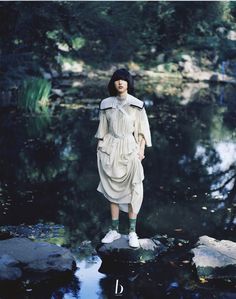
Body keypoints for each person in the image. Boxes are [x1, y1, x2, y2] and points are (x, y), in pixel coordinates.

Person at [95, 68, 152, 248]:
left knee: (133, 189)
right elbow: (102, 130)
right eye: (117, 80)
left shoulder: (137, 105)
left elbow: (142, 132)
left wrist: (140, 152)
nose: (120, 83)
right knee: (111, 189)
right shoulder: (106, 104)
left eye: (124, 80)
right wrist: (100, 151)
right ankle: (114, 230)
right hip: (110, 148)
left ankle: (132, 232)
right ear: (113, 83)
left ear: (128, 83)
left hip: (130, 148)